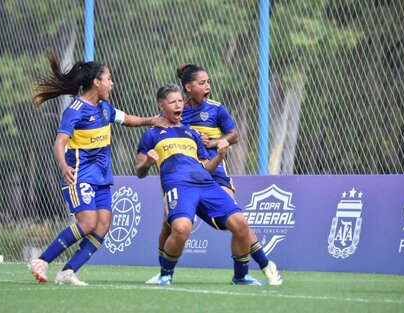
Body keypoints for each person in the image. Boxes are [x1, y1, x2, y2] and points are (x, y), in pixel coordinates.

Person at [27, 48, 168, 286]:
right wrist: (63, 166)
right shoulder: (75, 111)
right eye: (109, 79)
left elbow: (128, 120)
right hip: (79, 177)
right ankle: (41, 261)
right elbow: (59, 142)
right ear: (96, 82)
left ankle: (68, 272)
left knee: (103, 226)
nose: (112, 84)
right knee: (88, 223)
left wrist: (150, 120)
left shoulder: (105, 109)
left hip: (102, 178)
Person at [145, 65, 282, 286]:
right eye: (202, 83)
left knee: (236, 220)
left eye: (208, 82)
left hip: (214, 171)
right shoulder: (176, 112)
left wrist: (218, 142)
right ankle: (163, 272)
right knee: (168, 224)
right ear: (188, 87)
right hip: (184, 174)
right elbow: (159, 127)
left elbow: (234, 134)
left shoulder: (216, 109)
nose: (208, 86)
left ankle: (263, 264)